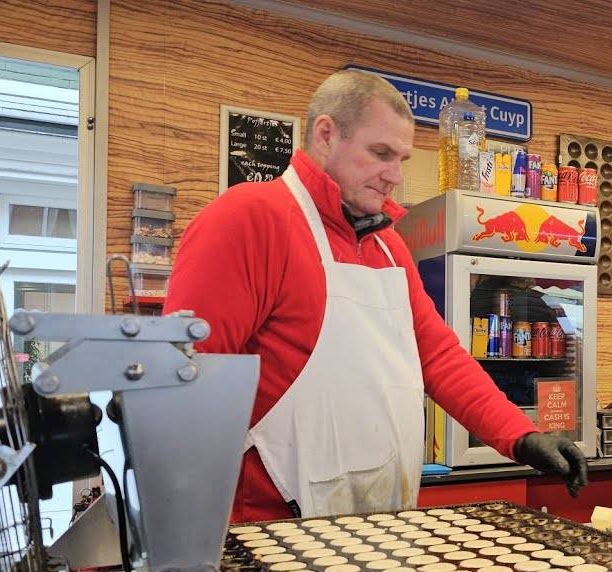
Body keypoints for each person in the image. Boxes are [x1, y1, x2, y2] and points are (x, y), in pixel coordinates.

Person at [165, 69, 586, 522]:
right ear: (326, 136)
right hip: (271, 528)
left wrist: (520, 436)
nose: (394, 176)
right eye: (380, 153)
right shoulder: (249, 219)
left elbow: (439, 357)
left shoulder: (389, 247)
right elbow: (188, 380)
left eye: (401, 159)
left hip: (380, 521)